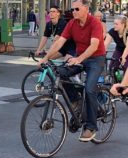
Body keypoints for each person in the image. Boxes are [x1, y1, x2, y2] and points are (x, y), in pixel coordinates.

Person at [39, 0, 106, 142]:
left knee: (89, 89)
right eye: (72, 9)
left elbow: (94, 46)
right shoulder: (72, 23)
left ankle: (91, 127)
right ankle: (76, 100)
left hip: (96, 59)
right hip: (80, 58)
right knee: (59, 72)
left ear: (86, 9)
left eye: (76, 9)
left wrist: (79, 58)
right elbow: (59, 42)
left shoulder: (95, 23)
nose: (73, 12)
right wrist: (45, 58)